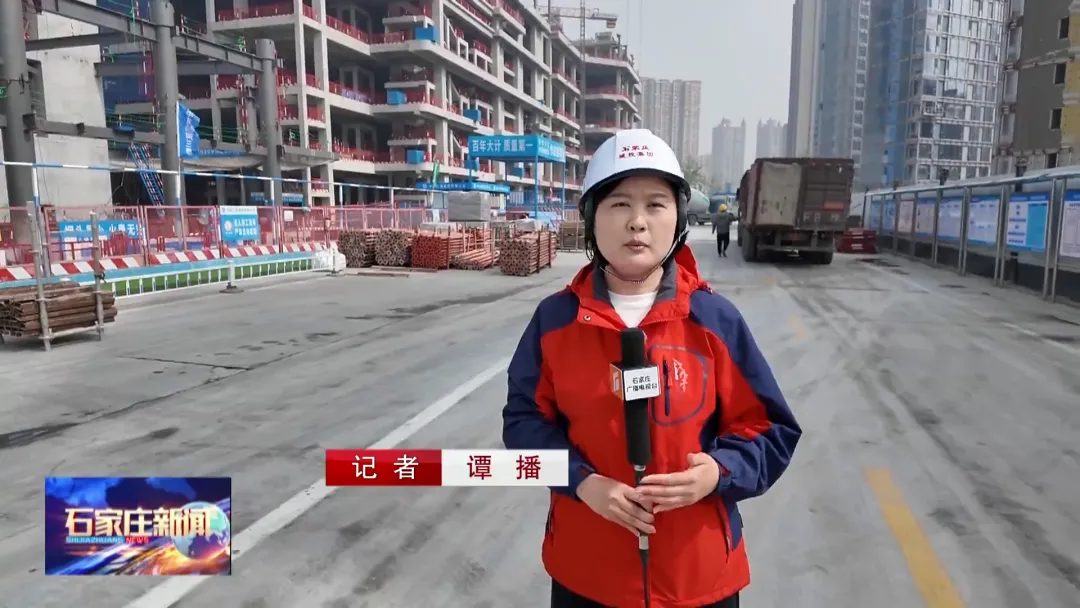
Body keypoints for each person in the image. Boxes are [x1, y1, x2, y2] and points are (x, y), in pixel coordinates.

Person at [502, 129, 802, 608]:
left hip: (698, 578)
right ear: (591, 217)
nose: (637, 222)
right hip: (587, 575)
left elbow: (771, 429)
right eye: (619, 204)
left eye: (656, 205)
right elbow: (523, 424)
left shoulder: (714, 320)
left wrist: (718, 472)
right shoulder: (555, 322)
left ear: (678, 218)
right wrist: (582, 481)